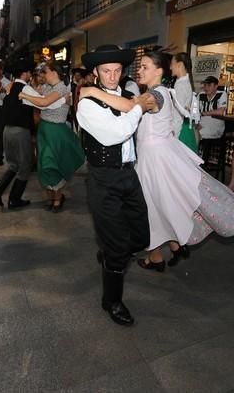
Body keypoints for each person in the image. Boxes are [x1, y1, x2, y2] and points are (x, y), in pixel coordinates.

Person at [81, 50, 234, 272]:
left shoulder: (157, 95)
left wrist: (91, 90)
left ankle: (154, 252)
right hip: (153, 156)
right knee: (158, 206)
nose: (139, 70)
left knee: (154, 207)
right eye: (139, 67)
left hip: (156, 159)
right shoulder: (155, 92)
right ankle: (169, 247)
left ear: (159, 71)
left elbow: (133, 106)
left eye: (145, 67)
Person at [76, 44, 153, 327]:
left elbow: (150, 106)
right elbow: (115, 135)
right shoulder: (87, 103)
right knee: (119, 248)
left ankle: (111, 253)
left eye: (117, 70)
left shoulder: (127, 96)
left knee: (142, 237)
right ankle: (112, 300)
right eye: (106, 71)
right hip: (104, 179)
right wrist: (137, 109)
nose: (112, 76)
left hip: (128, 176)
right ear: (96, 72)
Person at [19, 61, 85, 212]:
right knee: (44, 164)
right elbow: (38, 95)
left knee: (53, 164)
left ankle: (57, 198)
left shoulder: (61, 88)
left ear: (54, 72)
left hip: (56, 132)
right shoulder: (48, 87)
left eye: (45, 72)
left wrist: (24, 95)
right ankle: (51, 197)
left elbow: (43, 102)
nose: (43, 75)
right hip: (44, 129)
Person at [0, 60, 35, 209]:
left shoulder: (10, 86)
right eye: (30, 72)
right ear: (26, 73)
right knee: (25, 166)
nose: (31, 75)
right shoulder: (26, 88)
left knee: (14, 165)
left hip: (8, 130)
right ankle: (14, 199)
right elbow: (42, 102)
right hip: (20, 131)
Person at [170, 52, 197, 152]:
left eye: (172, 64)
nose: (170, 67)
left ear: (180, 65)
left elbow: (178, 114)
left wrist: (173, 134)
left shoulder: (181, 85)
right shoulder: (184, 82)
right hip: (185, 128)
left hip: (181, 130)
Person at [197, 75, 227, 141]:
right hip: (201, 123)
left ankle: (198, 151)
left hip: (215, 125)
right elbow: (195, 111)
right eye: (205, 85)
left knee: (196, 134)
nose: (206, 87)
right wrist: (197, 124)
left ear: (216, 86)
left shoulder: (221, 94)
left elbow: (220, 112)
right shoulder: (201, 95)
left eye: (209, 85)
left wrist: (203, 113)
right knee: (189, 132)